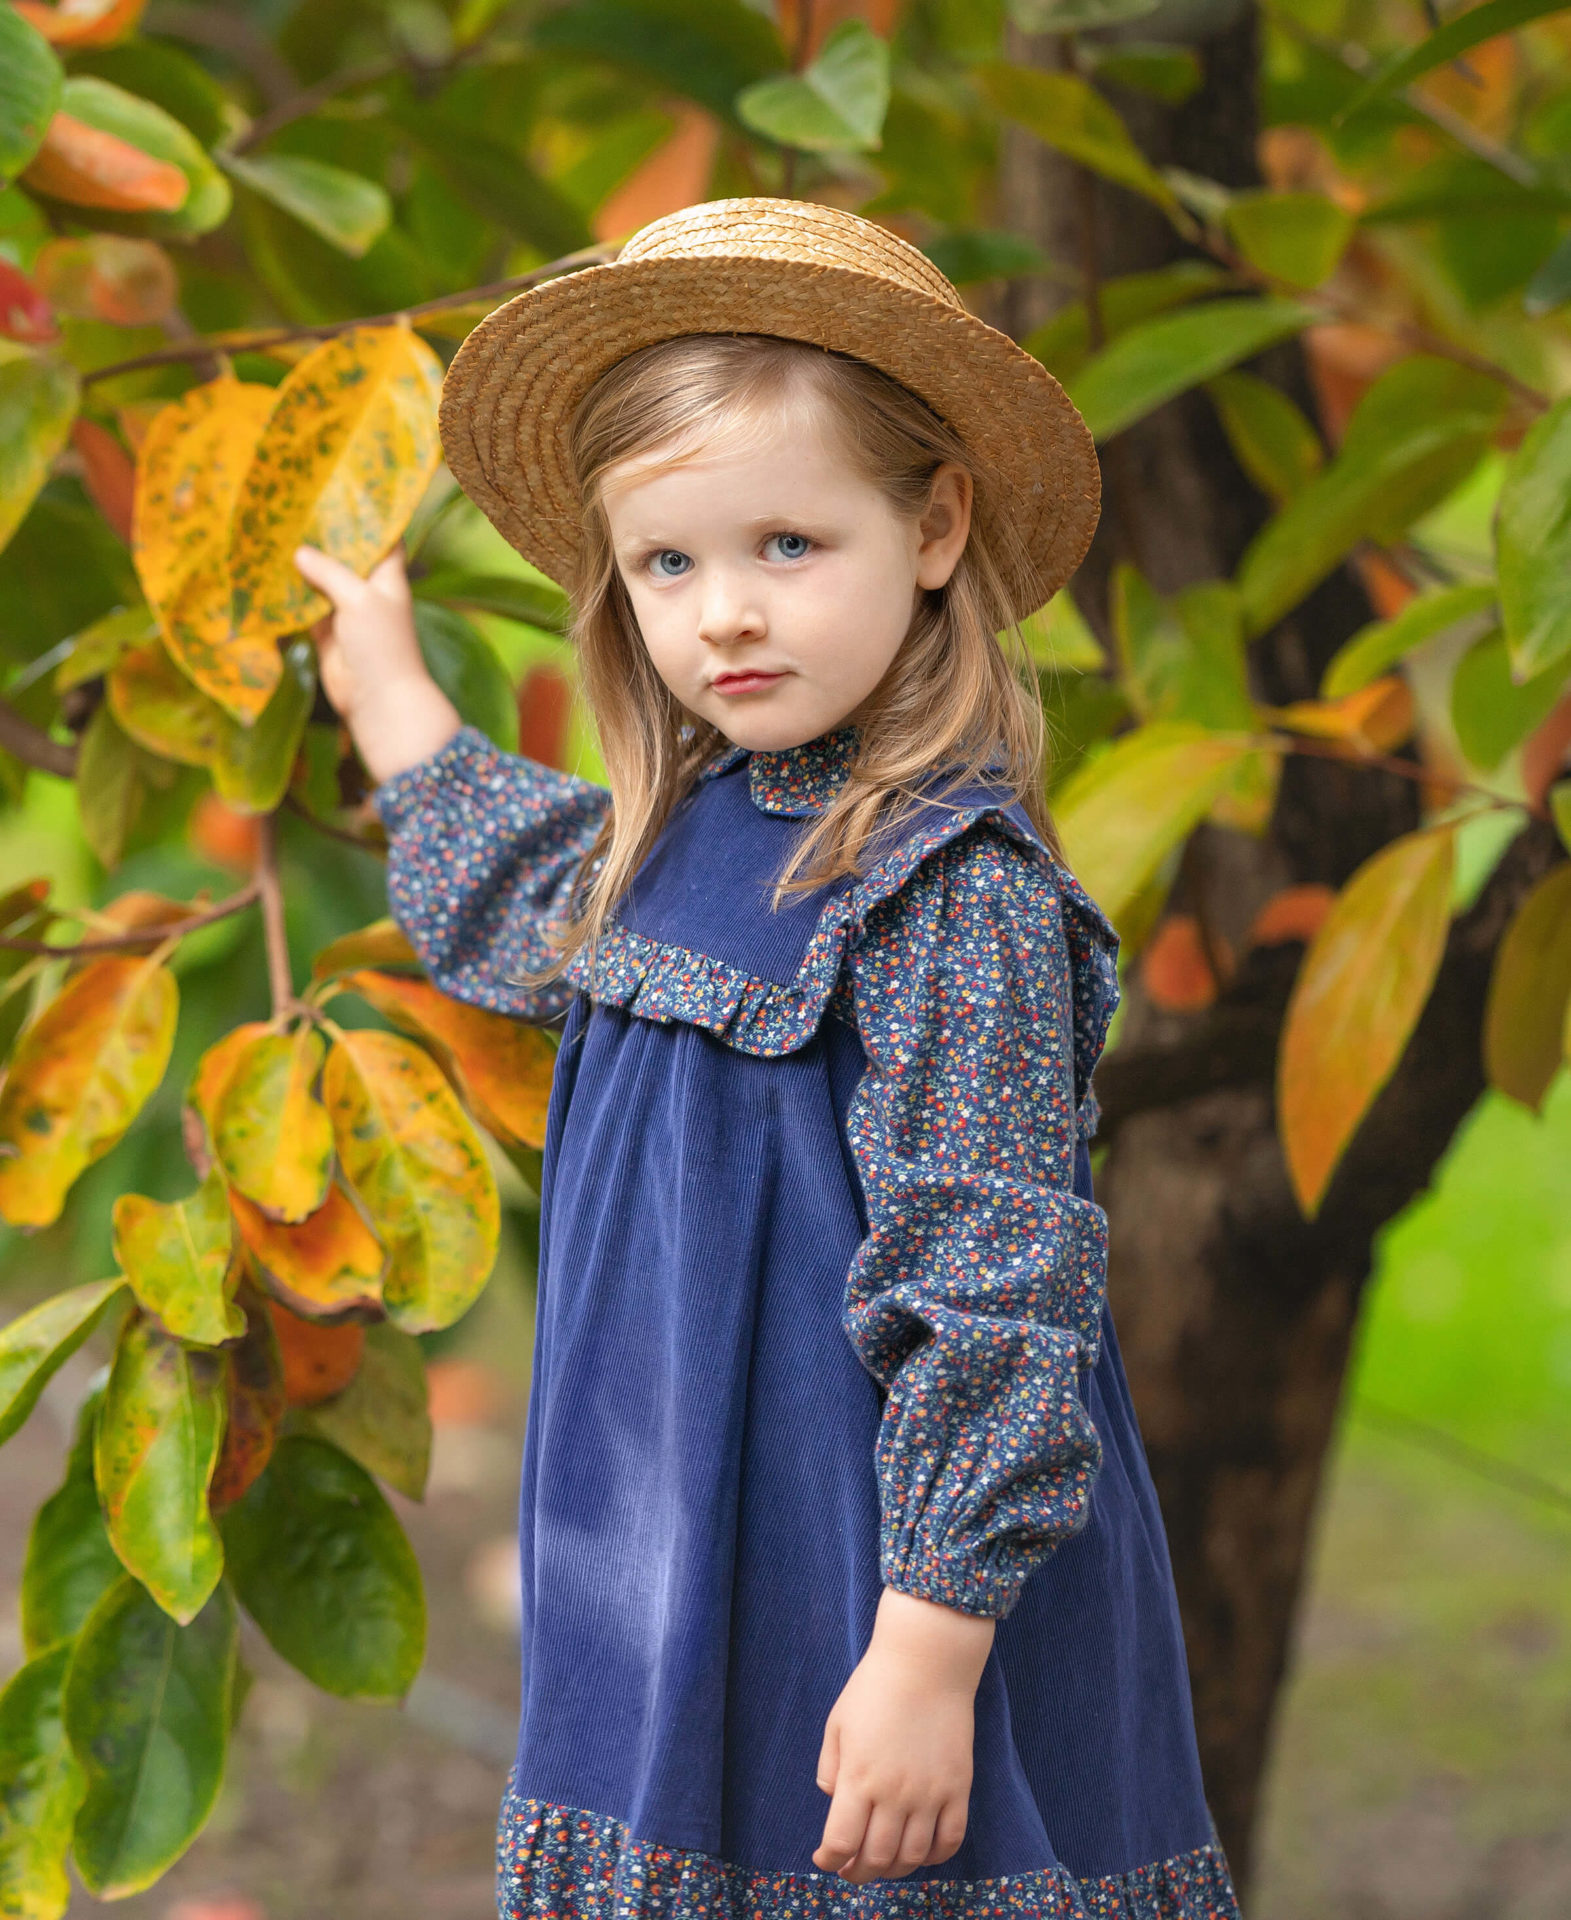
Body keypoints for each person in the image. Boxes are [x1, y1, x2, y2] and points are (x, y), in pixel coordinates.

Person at [296, 199, 1241, 1920]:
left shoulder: (945, 892)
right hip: (664, 1549)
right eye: (669, 565)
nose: (725, 613)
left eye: (790, 545)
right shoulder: (685, 832)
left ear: (935, 524)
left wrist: (931, 1654)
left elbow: (996, 1289)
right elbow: (515, 881)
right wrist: (381, 687)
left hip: (866, 1579)